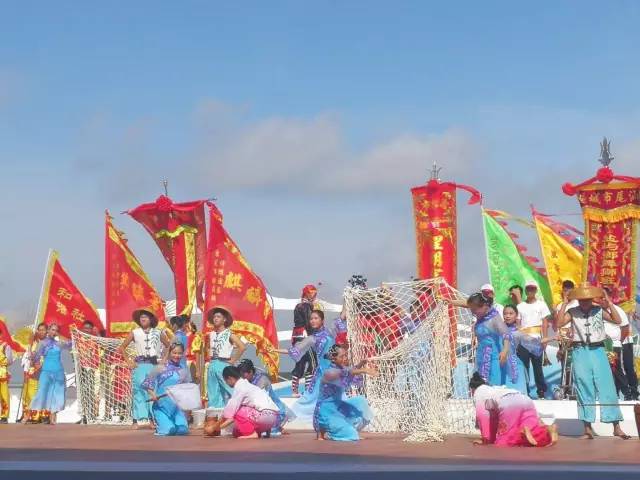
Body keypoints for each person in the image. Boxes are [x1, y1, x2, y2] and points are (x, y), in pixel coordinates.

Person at [557, 283, 629, 439]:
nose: (584, 301)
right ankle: (587, 428)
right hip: (579, 351)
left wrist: (609, 302)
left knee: (607, 386)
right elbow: (559, 323)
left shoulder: (599, 310)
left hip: (598, 350)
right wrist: (564, 302)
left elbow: (617, 320)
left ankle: (616, 426)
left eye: (587, 299)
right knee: (584, 388)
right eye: (581, 299)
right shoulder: (572, 311)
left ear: (591, 298)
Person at [278, 309, 347, 423]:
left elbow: (342, 317)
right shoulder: (311, 339)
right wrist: (274, 350)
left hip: (335, 370)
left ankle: (337, 419)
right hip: (322, 373)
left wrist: (348, 296)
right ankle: (291, 418)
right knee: (309, 399)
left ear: (322, 320)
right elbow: (294, 350)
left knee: (339, 396)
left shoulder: (330, 331)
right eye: (311, 319)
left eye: (316, 318)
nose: (313, 321)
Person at [470, 372, 557, 447]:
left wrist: (486, 439)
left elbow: (483, 416)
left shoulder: (478, 392)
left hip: (509, 403)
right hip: (525, 400)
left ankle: (521, 434)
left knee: (504, 442)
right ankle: (547, 430)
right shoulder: (494, 389)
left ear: (472, 389)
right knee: (534, 429)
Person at [118, 308, 170, 427]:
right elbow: (122, 348)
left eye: (146, 316)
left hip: (153, 365)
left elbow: (169, 346)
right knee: (139, 390)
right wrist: (128, 361)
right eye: (141, 316)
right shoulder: (135, 332)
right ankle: (136, 419)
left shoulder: (158, 332)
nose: (143, 318)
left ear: (151, 319)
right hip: (140, 365)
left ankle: (152, 419)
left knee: (152, 391)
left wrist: (164, 360)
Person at [315, 344, 377, 441]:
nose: (345, 358)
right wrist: (364, 370)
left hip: (338, 407)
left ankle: (343, 428)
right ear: (334, 359)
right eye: (342, 356)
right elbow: (345, 374)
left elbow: (350, 370)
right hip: (326, 411)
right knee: (351, 435)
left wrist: (361, 364)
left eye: (345, 355)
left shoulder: (341, 368)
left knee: (360, 401)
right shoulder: (329, 373)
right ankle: (328, 430)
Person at [213, 366, 279, 439]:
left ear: (230, 378)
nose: (226, 383)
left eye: (225, 381)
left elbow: (229, 414)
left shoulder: (240, 387)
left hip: (264, 417)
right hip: (273, 419)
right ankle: (263, 432)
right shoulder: (249, 386)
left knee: (237, 411)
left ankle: (253, 434)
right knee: (236, 432)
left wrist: (216, 428)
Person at [142, 342, 190, 436]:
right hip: (161, 407)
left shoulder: (184, 369)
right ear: (169, 353)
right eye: (174, 353)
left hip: (176, 408)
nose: (177, 355)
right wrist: (154, 395)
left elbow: (187, 387)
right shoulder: (160, 367)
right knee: (170, 430)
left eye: (179, 353)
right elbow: (147, 384)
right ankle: (161, 426)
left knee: (182, 431)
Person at [514, 280, 551, 399]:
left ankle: (541, 391)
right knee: (524, 366)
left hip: (537, 340)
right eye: (528, 288)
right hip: (524, 341)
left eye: (532, 288)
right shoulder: (520, 306)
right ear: (525, 290)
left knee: (537, 367)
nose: (530, 290)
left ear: (536, 290)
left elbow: (545, 323)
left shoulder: (541, 304)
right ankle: (524, 390)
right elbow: (518, 323)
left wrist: (545, 338)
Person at [29, 323, 72, 425]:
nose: (54, 332)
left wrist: (62, 335)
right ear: (48, 330)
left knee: (58, 395)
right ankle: (28, 415)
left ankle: (52, 417)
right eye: (52, 330)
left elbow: (70, 344)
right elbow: (36, 357)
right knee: (41, 393)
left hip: (58, 372)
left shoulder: (59, 343)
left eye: (56, 330)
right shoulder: (43, 343)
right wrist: (32, 356)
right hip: (46, 372)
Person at [238, 359, 294, 435]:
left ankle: (277, 427)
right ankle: (278, 428)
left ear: (251, 372)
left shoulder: (262, 380)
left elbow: (261, 399)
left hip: (273, 410)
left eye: (243, 374)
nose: (242, 377)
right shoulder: (247, 381)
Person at [601, 287, 637, 400]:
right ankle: (615, 393)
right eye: (600, 298)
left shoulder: (618, 310)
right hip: (603, 346)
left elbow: (625, 328)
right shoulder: (597, 311)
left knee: (622, 368)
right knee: (608, 370)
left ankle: (630, 392)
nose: (602, 300)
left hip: (617, 344)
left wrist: (617, 342)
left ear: (610, 297)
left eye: (604, 297)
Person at [205, 307, 246, 408]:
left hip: (223, 364)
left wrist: (233, 360)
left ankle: (241, 410)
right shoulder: (211, 334)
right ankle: (216, 414)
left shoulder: (229, 334)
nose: (215, 319)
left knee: (230, 388)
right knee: (213, 391)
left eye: (218, 316)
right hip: (212, 363)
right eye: (214, 316)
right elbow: (207, 348)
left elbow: (242, 347)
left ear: (224, 319)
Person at [466, 293, 510, 386]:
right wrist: (451, 302)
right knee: (479, 382)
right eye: (471, 310)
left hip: (493, 356)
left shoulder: (494, 317)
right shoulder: (481, 315)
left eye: (475, 310)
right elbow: (467, 304)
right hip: (480, 355)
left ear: (485, 306)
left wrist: (505, 350)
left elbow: (506, 334)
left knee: (492, 383)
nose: (473, 313)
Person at [291, 284, 319, 396]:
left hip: (297, 336)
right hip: (306, 337)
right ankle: (308, 391)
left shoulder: (298, 306)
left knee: (300, 363)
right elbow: (309, 323)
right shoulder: (307, 306)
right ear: (308, 294)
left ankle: (294, 391)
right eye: (313, 293)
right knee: (313, 363)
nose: (314, 296)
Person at [20, 323, 47, 423]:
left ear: (46, 331)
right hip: (33, 371)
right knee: (31, 394)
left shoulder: (48, 343)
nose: (41, 332)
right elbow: (30, 357)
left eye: (43, 330)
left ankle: (42, 416)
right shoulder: (33, 343)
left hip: (43, 371)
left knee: (41, 393)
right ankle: (33, 416)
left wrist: (40, 363)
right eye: (39, 330)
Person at [76, 320, 100, 424]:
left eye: (89, 328)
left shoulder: (95, 340)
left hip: (93, 369)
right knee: (83, 393)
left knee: (93, 392)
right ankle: (84, 415)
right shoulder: (77, 339)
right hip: (82, 370)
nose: (86, 330)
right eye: (85, 328)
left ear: (92, 330)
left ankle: (93, 415)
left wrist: (97, 333)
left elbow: (102, 342)